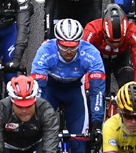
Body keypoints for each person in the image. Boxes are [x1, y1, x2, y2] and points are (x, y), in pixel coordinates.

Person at [29, 18, 105, 153]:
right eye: (64, 47)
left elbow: (97, 90)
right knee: (40, 142)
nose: (69, 51)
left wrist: (97, 123)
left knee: (79, 147)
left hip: (74, 92)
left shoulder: (91, 53)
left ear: (79, 43)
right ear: (57, 43)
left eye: (73, 47)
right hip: (49, 91)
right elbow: (37, 88)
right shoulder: (45, 50)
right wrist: (34, 117)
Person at [0, 74, 59, 153]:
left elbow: (50, 149)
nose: (24, 111)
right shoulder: (0, 110)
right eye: (19, 106)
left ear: (34, 101)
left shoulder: (45, 110)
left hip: (35, 145)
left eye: (28, 106)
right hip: (8, 147)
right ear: (12, 102)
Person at [82, 5, 136, 90]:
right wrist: (87, 87)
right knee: (94, 88)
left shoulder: (132, 31)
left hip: (121, 58)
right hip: (98, 59)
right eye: (111, 42)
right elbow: (82, 63)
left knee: (130, 87)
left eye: (119, 41)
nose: (115, 45)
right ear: (104, 34)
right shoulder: (92, 30)